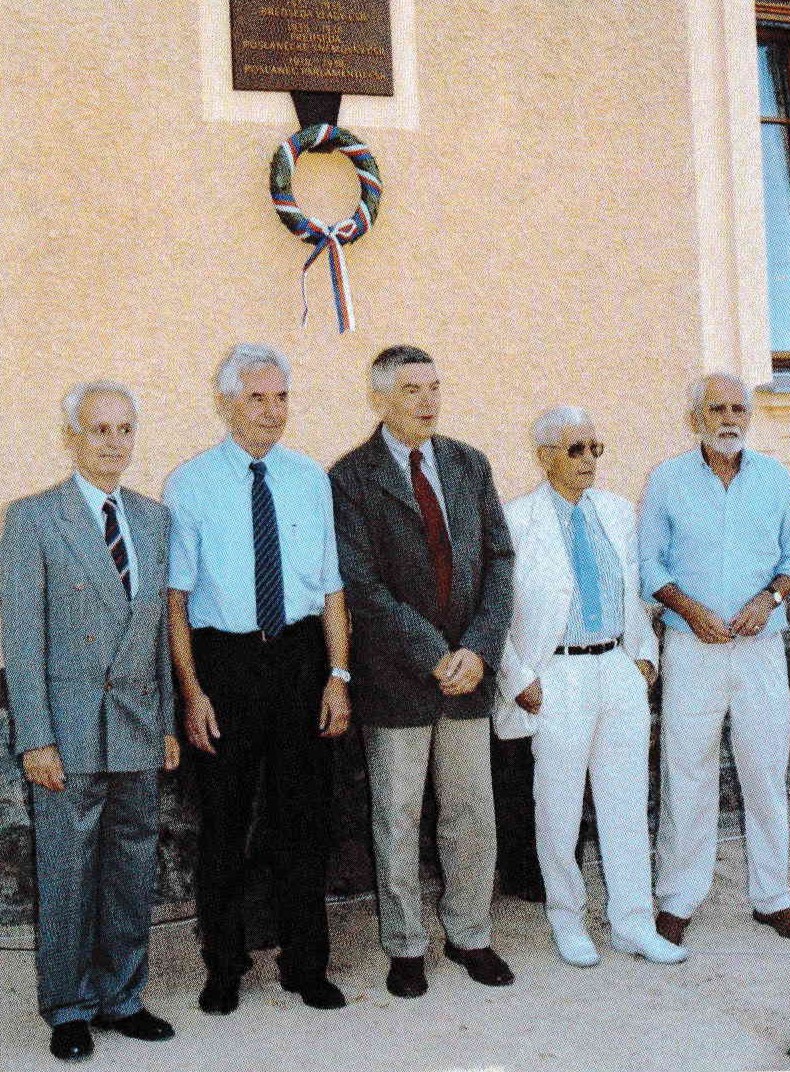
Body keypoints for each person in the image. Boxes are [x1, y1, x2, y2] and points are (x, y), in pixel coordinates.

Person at [163, 344, 350, 1015]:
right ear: (226, 403)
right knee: (225, 824)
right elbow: (176, 601)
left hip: (301, 659)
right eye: (257, 398)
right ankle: (224, 966)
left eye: (281, 397)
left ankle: (306, 964)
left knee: (304, 819)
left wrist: (337, 676)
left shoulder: (309, 479)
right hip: (227, 664)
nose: (272, 411)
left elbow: (331, 588)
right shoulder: (190, 484)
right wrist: (193, 693)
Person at [0, 381, 178, 1062]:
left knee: (131, 865)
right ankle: (68, 1006)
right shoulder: (33, 518)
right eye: (99, 429)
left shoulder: (153, 519)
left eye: (124, 429)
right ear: (70, 436)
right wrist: (36, 738)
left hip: (136, 722)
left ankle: (122, 997)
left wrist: (165, 722)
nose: (113, 442)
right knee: (67, 870)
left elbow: (157, 634)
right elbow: (23, 640)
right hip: (67, 728)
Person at [330, 344, 515, 998]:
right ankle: (405, 945)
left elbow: (499, 561)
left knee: (470, 813)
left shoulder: (469, 464)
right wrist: (433, 652)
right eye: (412, 390)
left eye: (434, 387)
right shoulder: (351, 477)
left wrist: (479, 648)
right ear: (380, 398)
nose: (428, 400)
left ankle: (470, 934)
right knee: (397, 816)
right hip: (398, 678)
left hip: (468, 675)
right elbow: (361, 586)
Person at [495, 405, 687, 967]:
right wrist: (519, 678)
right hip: (556, 673)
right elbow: (494, 609)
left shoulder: (619, 512)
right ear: (545, 456)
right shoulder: (517, 519)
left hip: (616, 667)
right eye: (575, 449)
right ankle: (567, 917)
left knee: (626, 801)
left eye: (594, 448)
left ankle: (633, 922)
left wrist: (643, 661)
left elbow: (638, 593)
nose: (588, 460)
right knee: (556, 805)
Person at [639, 372, 790, 946]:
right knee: (686, 770)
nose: (729, 419)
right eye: (716, 409)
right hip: (692, 646)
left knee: (766, 769)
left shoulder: (777, 479)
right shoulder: (667, 480)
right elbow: (650, 566)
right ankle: (679, 897)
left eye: (737, 409)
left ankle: (775, 896)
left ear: (748, 416)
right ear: (695, 417)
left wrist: (768, 599)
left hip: (760, 647)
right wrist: (691, 610)